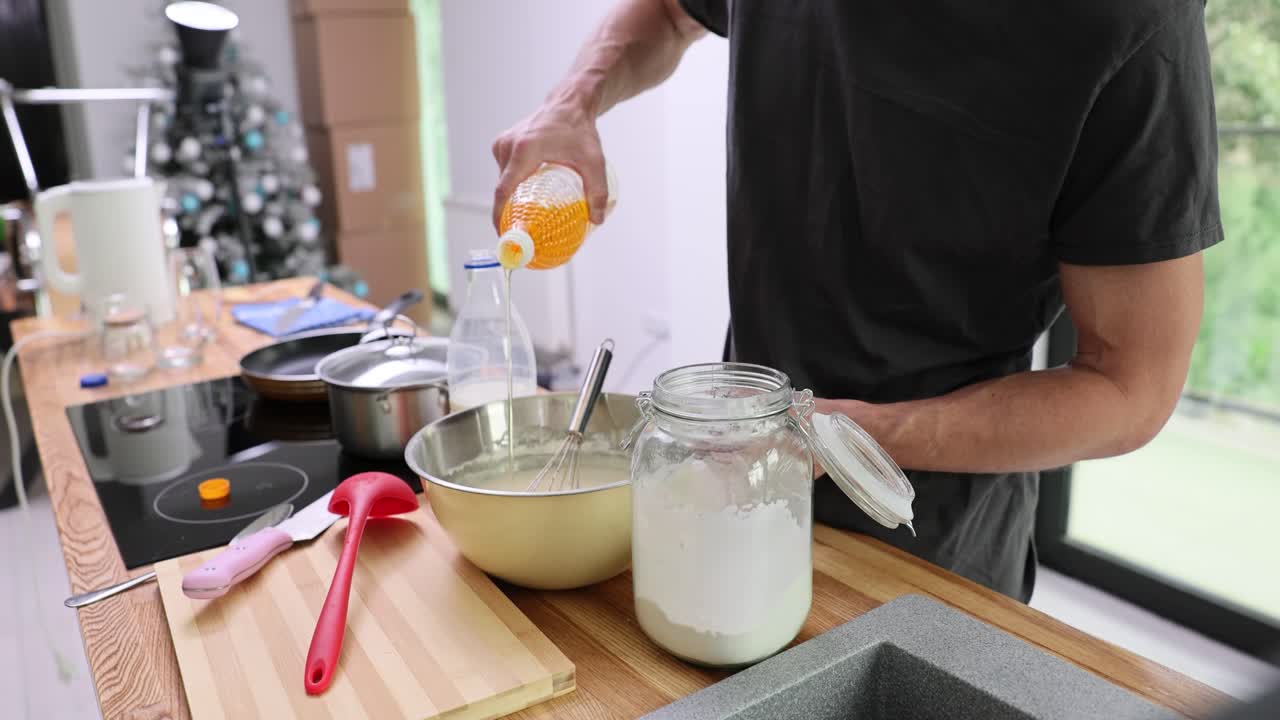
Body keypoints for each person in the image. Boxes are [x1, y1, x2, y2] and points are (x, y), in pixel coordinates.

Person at [491, 0, 1221, 602]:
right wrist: (571, 104)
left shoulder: (1130, 22)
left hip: (928, 540)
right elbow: (676, 12)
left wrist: (849, 432)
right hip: (739, 478)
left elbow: (1131, 387)